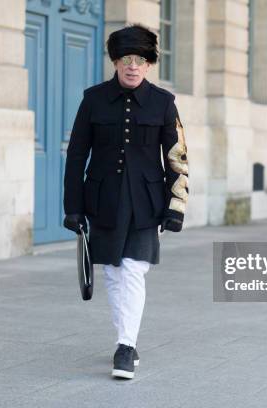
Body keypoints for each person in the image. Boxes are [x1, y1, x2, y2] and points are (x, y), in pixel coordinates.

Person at [62, 23, 189, 379]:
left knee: (133, 270)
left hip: (147, 202)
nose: (132, 66)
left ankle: (125, 346)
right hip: (103, 200)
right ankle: (126, 340)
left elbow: (178, 157)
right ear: (116, 62)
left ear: (148, 64)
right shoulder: (93, 99)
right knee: (114, 273)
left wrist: (176, 208)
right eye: (125, 59)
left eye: (139, 60)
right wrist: (72, 208)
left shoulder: (165, 103)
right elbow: (76, 156)